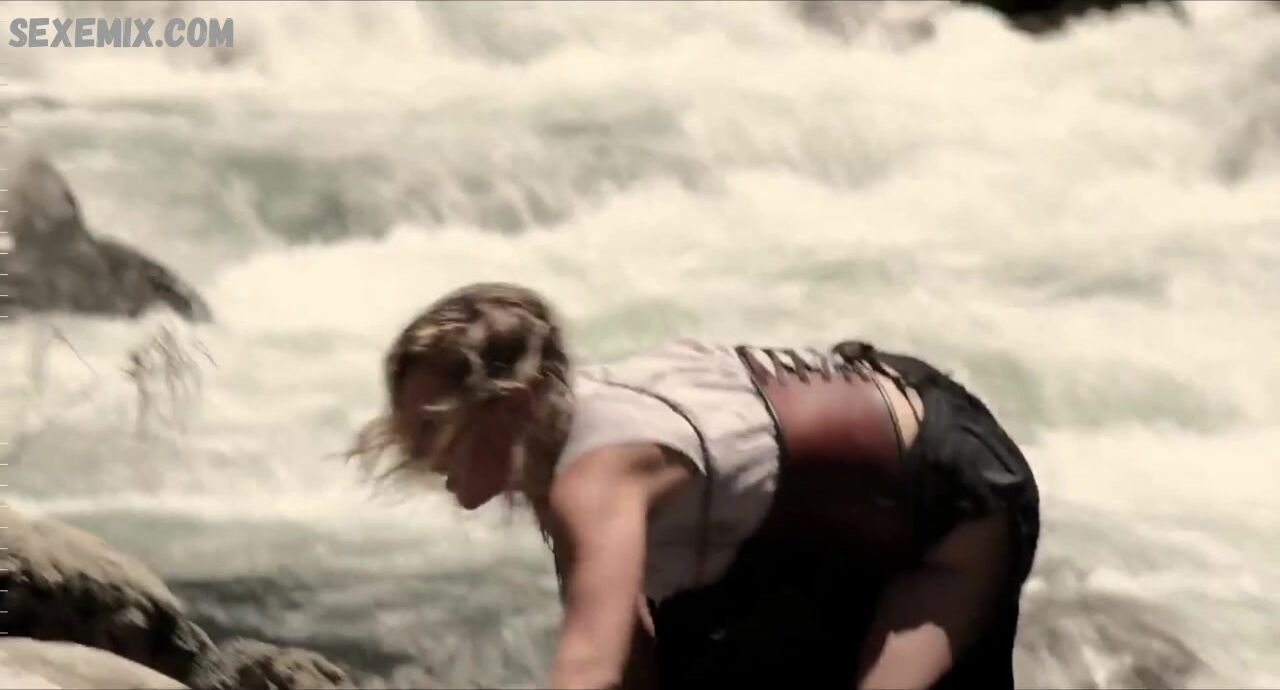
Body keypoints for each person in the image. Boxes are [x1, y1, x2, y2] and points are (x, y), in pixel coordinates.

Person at [347, 282, 1041, 690]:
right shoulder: (549, 450)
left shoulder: (598, 473)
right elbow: (628, 649)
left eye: (432, 426)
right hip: (818, 526)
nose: (417, 451)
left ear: (515, 403)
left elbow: (588, 668)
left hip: (950, 507)